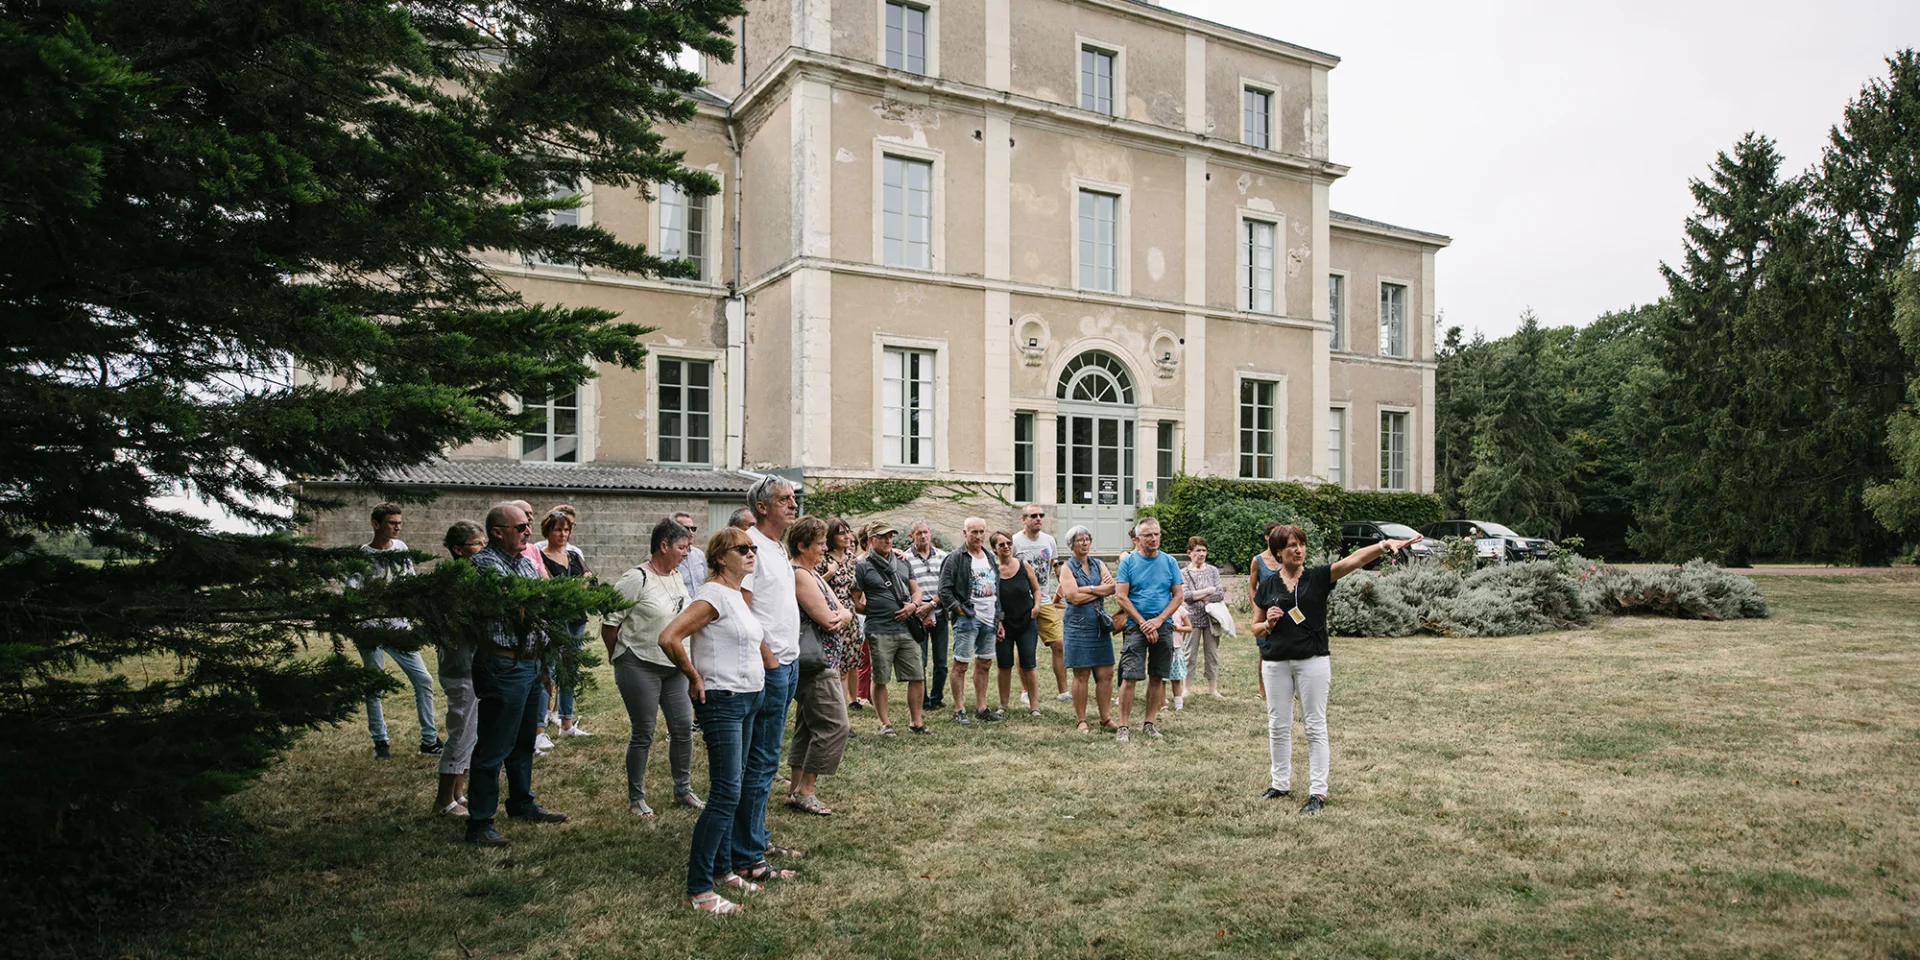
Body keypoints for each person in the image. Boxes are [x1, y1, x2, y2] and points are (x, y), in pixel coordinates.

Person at [1253, 523, 1421, 815]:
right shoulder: (1268, 585)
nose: (1298, 549)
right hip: (1275, 662)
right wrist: (1268, 623)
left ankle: (1317, 792)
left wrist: (1383, 545)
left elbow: (1353, 560)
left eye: (1302, 544)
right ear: (1278, 551)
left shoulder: (1318, 577)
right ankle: (1279, 784)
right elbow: (1255, 628)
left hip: (1312, 661)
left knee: (1314, 725)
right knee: (1278, 725)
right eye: (1291, 545)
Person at [656, 527, 778, 914]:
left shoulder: (735, 595)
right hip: (723, 700)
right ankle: (699, 889)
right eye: (742, 549)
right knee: (725, 793)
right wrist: (693, 676)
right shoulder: (711, 595)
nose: (750, 553)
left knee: (735, 788)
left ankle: (725, 870)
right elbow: (669, 637)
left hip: (747, 698)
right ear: (720, 557)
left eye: (753, 548)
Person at [464, 502, 568, 848]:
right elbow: (519, 604)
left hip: (531, 662)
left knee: (524, 740)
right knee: (495, 744)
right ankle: (480, 822)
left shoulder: (524, 562)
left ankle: (522, 802)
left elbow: (541, 602)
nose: (528, 531)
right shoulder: (483, 565)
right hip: (503, 664)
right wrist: (537, 599)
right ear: (498, 532)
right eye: (521, 526)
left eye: (527, 526)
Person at [604, 518, 704, 818]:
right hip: (639, 663)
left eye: (688, 547)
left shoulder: (675, 576)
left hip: (673, 666)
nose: (687, 553)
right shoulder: (636, 578)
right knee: (644, 732)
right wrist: (618, 657)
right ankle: (637, 799)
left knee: (683, 729)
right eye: (682, 547)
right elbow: (610, 624)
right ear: (664, 546)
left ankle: (683, 791)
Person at [736, 476, 804, 876]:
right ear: (762, 507)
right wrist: (770, 660)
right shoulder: (748, 545)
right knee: (760, 762)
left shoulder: (776, 546)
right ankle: (748, 857)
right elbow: (742, 609)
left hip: (787, 662)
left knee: (767, 760)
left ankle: (756, 838)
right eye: (783, 499)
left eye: (793, 499)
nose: (792, 505)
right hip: (770, 667)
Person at [355, 503, 439, 760]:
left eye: (399, 523)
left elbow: (409, 579)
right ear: (376, 524)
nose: (397, 527)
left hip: (399, 626)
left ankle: (429, 740)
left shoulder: (401, 548)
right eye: (392, 523)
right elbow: (355, 591)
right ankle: (380, 741)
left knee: (423, 679)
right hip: (371, 627)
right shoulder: (363, 555)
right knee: (375, 686)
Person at [786, 516, 854, 814]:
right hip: (816, 662)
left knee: (807, 726)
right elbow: (830, 619)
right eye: (819, 544)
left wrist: (844, 615)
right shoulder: (800, 574)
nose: (824, 549)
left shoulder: (812, 573)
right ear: (801, 545)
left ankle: (795, 788)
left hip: (823, 659)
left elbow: (842, 610)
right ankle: (806, 790)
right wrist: (842, 616)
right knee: (835, 725)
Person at [432, 520, 486, 817]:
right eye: (477, 544)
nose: (482, 549)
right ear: (458, 550)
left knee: (471, 734)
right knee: (460, 732)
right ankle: (443, 799)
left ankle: (458, 793)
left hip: (474, 665)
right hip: (459, 667)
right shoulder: (454, 582)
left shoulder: (473, 577)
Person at [1114, 517, 1183, 742]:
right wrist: (1143, 622)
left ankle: (1149, 723)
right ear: (1137, 539)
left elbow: (1178, 596)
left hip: (1163, 626)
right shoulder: (1128, 562)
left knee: (1157, 676)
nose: (1154, 539)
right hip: (1136, 626)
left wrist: (1159, 620)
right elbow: (1122, 597)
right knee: (1130, 676)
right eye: (1148, 535)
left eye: (1157, 534)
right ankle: (1123, 726)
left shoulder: (1170, 562)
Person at [855, 522, 928, 735]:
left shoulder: (903, 562)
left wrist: (913, 606)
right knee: (880, 677)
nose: (888, 540)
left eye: (890, 536)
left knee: (917, 675)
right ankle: (884, 723)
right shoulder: (862, 566)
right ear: (870, 540)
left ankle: (916, 722)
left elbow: (916, 592)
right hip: (879, 630)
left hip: (906, 628)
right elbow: (856, 600)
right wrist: (875, 611)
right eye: (882, 537)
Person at [537, 505, 593, 741]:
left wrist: (574, 588)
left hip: (577, 618)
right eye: (558, 529)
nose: (562, 534)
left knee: (569, 671)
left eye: (566, 530)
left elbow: (588, 577)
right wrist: (573, 588)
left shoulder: (573, 556)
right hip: (553, 621)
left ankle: (566, 722)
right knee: (548, 671)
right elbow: (548, 587)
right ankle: (539, 728)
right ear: (547, 531)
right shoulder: (540, 557)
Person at [937, 518, 1000, 723]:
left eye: (982, 531)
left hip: (989, 619)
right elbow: (944, 590)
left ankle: (982, 708)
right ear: (965, 533)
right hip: (968, 618)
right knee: (961, 665)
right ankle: (959, 708)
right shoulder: (955, 558)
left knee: (985, 663)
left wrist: (999, 619)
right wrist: (958, 609)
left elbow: (997, 590)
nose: (978, 536)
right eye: (974, 532)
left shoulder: (990, 557)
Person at [1057, 525, 1118, 734]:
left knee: (1106, 672)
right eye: (1079, 540)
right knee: (1081, 673)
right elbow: (1072, 597)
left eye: (1087, 539)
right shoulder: (1067, 568)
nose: (1084, 543)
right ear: (1071, 545)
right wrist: (1098, 590)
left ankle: (1105, 718)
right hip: (1077, 626)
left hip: (1099, 625)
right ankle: (1081, 720)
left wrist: (1087, 589)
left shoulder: (1098, 564)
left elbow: (1112, 588)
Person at [1010, 505, 1071, 704]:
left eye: (1041, 516)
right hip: (1022, 602)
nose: (1038, 519)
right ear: (1024, 519)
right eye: (1033, 516)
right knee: (1025, 648)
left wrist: (1064, 583)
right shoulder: (1015, 541)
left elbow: (1055, 565)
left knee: (1059, 644)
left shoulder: (1049, 540)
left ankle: (1063, 692)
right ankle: (1026, 692)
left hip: (1044, 600)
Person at [815, 518, 867, 709]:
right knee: (837, 669)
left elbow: (869, 559)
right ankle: (838, 712)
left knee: (851, 663)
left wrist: (897, 552)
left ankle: (846, 707)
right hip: (830, 614)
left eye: (847, 531)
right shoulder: (823, 558)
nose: (846, 536)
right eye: (841, 533)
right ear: (831, 536)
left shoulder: (852, 559)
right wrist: (829, 574)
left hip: (850, 616)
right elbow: (809, 584)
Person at [989, 531, 1043, 717]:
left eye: (1009, 543)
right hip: (1003, 625)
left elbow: (1036, 589)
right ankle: (1003, 705)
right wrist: (998, 622)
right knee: (1004, 664)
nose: (1006, 547)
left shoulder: (1023, 565)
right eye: (1001, 544)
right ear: (994, 549)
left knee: (1029, 663)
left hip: (1026, 621)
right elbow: (991, 599)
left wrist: (1036, 607)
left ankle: (1034, 706)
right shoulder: (992, 570)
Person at [904, 520, 949, 711]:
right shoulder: (904, 559)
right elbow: (903, 590)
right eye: (919, 533)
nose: (923, 536)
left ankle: (937, 697)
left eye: (926, 532)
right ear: (911, 536)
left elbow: (947, 586)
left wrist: (931, 605)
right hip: (916, 616)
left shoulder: (943, 557)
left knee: (941, 661)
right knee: (918, 661)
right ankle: (922, 700)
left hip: (939, 612)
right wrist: (920, 612)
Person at [1180, 536, 1225, 698]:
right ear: (1189, 553)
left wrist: (1201, 594)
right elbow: (1186, 596)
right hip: (1191, 618)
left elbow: (1219, 594)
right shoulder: (1183, 573)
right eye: (1198, 550)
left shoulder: (1213, 571)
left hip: (1211, 619)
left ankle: (1213, 689)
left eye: (1204, 550)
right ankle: (1187, 688)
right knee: (1189, 654)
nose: (1201, 554)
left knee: (1212, 654)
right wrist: (1207, 591)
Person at [673, 511, 707, 593]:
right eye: (686, 529)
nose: (691, 533)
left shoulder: (699, 555)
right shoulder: (670, 556)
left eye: (693, 529)